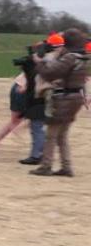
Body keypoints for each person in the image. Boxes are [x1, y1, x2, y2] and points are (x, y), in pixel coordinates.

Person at [30, 29, 87, 177]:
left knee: (51, 134)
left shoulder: (69, 58)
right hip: (76, 98)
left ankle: (46, 166)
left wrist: (39, 61)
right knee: (63, 134)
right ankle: (66, 166)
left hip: (64, 99)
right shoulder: (82, 57)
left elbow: (50, 72)